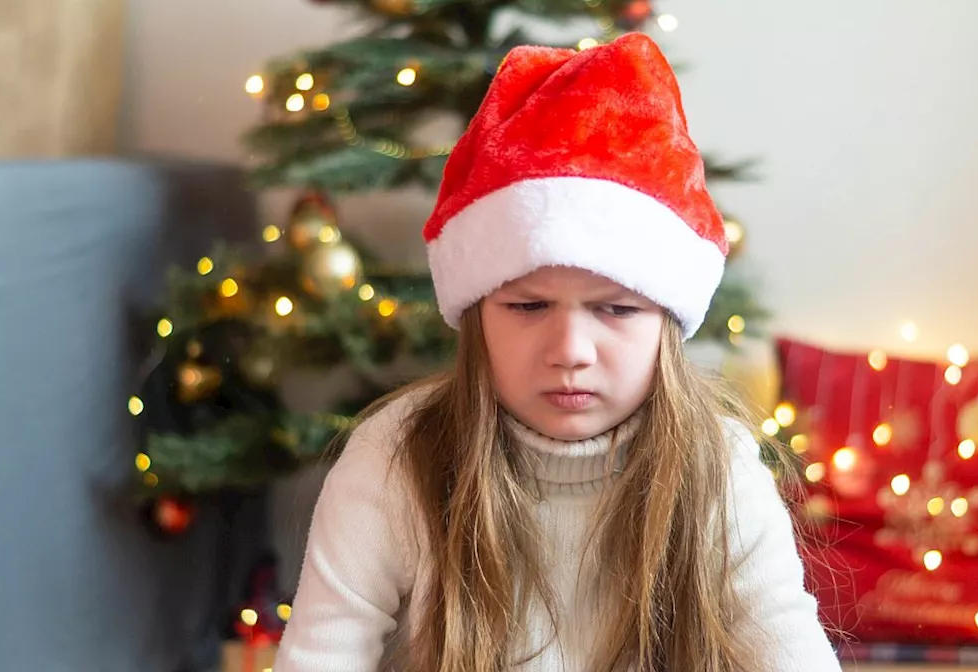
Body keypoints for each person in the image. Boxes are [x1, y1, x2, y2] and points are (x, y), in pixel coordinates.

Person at [273, 32, 841, 672]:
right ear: (476, 314)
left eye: (617, 309)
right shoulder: (393, 457)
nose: (571, 351)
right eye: (527, 306)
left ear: (667, 324)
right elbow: (319, 657)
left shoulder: (721, 468)